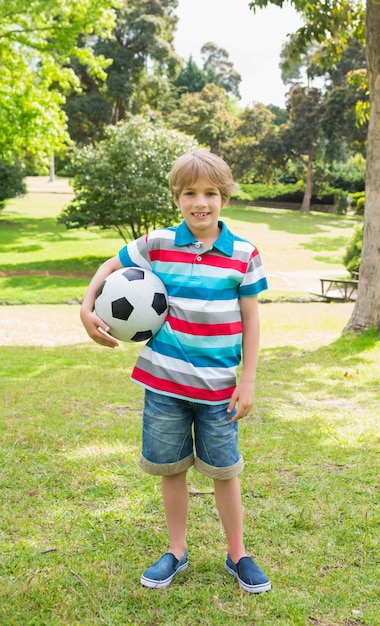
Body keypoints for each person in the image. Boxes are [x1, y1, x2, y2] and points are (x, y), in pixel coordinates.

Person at [80, 149, 271, 594]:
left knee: (225, 471)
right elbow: (111, 266)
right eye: (190, 193)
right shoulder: (159, 244)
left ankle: (238, 553)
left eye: (209, 193)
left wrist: (248, 380)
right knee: (171, 469)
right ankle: (177, 550)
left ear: (224, 197)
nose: (199, 202)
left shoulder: (244, 253)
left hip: (220, 390)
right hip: (163, 384)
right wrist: (86, 308)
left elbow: (252, 319)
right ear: (177, 198)